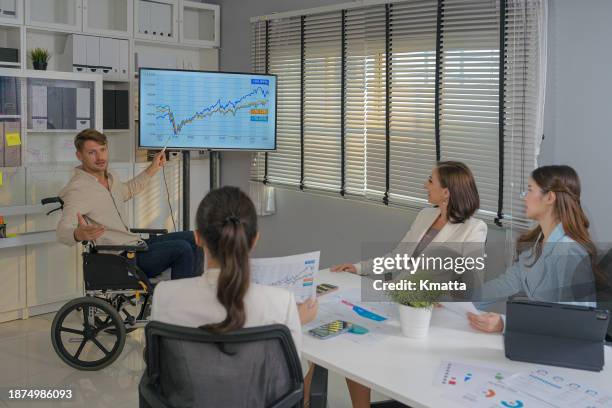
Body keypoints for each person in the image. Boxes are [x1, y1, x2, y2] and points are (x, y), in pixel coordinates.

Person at [330, 161, 488, 408]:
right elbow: (398, 257)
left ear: (446, 192)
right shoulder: (425, 215)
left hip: (435, 312)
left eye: (431, 180)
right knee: (354, 348)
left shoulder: (474, 228)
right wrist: (359, 268)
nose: (425, 185)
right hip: (400, 299)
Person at [151, 186, 318, 403]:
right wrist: (295, 320)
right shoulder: (280, 302)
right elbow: (286, 381)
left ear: (199, 238)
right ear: (255, 239)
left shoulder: (164, 295)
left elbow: (161, 372)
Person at [56, 129, 203, 280]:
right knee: (182, 249)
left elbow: (127, 191)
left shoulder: (110, 177)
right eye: (92, 152)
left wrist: (153, 168)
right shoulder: (78, 189)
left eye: (103, 150)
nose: (100, 157)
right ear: (79, 156)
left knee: (197, 238)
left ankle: (192, 293)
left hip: (135, 245)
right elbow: (62, 231)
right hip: (121, 257)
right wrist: (78, 234)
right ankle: (181, 301)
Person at [468, 165, 598, 333]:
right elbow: (506, 284)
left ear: (550, 197)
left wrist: (505, 323)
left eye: (529, 190)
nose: (524, 198)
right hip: (541, 341)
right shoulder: (537, 244)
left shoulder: (568, 252)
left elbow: (576, 320)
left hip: (563, 348)